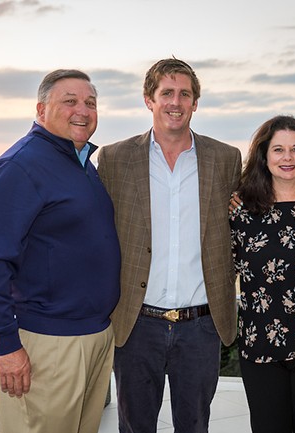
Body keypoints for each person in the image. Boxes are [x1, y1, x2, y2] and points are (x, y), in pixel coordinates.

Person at [0, 69, 120, 433]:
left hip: (93, 336)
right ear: (41, 109)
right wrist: (6, 345)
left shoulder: (80, 164)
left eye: (90, 103)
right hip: (47, 343)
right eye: (69, 101)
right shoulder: (18, 167)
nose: (82, 110)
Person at [97, 58, 241, 433]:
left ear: (195, 102)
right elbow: (96, 232)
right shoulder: (115, 159)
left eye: (185, 94)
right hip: (136, 323)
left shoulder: (226, 159)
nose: (175, 102)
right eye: (166, 93)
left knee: (194, 426)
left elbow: (240, 224)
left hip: (201, 325)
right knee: (135, 426)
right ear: (149, 99)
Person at [230, 115, 295, 433]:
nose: (287, 157)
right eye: (278, 149)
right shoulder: (240, 211)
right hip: (260, 346)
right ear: (264, 156)